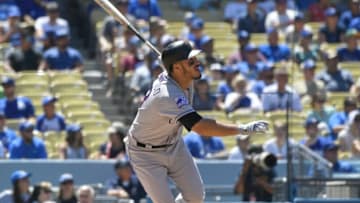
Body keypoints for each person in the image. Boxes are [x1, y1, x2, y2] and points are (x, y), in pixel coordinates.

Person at [124, 40, 269, 203]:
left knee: (196, 197)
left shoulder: (179, 75)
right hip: (146, 153)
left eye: (195, 59)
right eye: (191, 61)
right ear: (177, 68)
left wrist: (175, 61)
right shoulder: (167, 95)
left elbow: (169, 70)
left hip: (173, 145)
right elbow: (201, 127)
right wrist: (242, 129)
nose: (197, 63)